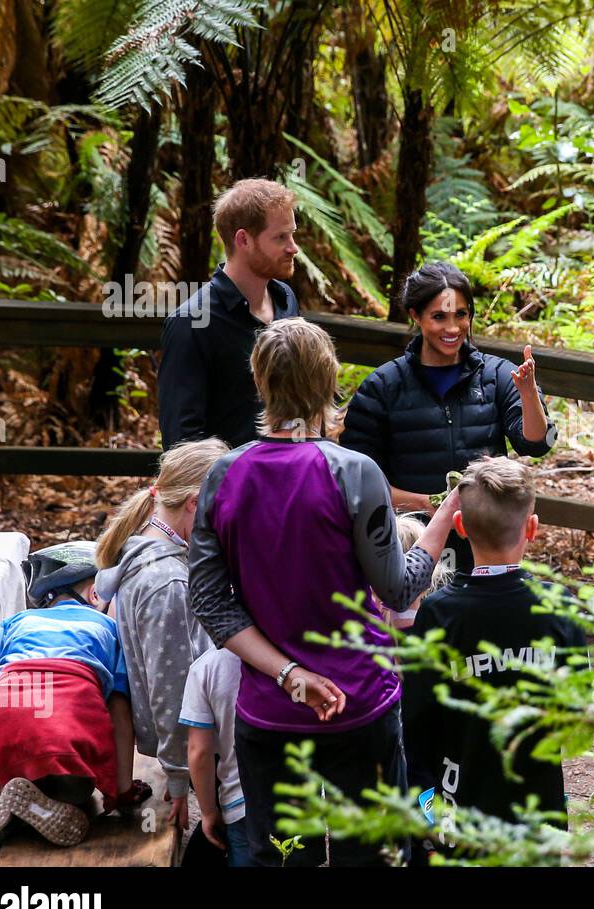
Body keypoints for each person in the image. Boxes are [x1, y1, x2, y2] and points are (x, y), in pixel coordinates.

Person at [188, 317, 459, 867]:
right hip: (361, 707)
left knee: (285, 860)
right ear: (329, 384)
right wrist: (442, 521)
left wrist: (289, 674)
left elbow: (211, 601)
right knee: (374, 858)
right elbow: (399, 587)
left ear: (259, 381)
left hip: (269, 712)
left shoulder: (222, 477)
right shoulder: (356, 473)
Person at [402, 457, 587, 858]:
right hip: (537, 817)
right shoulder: (560, 608)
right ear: (532, 529)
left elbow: (413, 725)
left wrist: (426, 815)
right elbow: (576, 713)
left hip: (454, 819)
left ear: (460, 527)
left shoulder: (438, 614)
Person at [340, 261, 556, 571]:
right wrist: (427, 504)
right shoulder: (382, 387)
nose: (452, 328)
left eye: (461, 315)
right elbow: (356, 482)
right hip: (409, 545)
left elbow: (536, 443)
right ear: (415, 315)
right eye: (439, 317)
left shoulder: (498, 375)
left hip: (485, 547)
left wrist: (527, 393)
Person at [0, 543, 145, 866]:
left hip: (0, 728)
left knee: (10, 775)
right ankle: (54, 801)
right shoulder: (110, 630)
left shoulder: (18, 623)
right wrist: (121, 790)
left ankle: (1, 802)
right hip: (64, 730)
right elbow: (120, 715)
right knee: (79, 790)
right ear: (95, 594)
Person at [93, 438, 230, 836]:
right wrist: (179, 780)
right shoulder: (165, 582)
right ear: (193, 503)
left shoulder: (152, 551)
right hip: (198, 754)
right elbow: (169, 688)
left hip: (195, 749)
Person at [158, 178, 301, 451]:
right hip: (230, 488)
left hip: (290, 478)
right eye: (281, 237)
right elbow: (181, 440)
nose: (293, 247)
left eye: (292, 234)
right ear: (243, 239)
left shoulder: (286, 299)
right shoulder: (192, 322)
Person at [178, 645, 249, 866]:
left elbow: (199, 752)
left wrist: (208, 813)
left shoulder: (207, 666)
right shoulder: (297, 656)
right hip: (300, 797)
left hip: (243, 800)